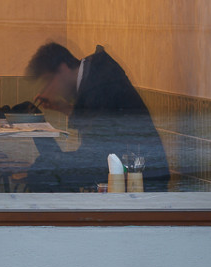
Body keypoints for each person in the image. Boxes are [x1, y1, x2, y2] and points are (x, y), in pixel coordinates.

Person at [22, 42, 169, 192]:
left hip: (140, 173)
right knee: (47, 167)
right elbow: (96, 122)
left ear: (63, 68)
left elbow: (97, 145)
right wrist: (63, 107)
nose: (48, 89)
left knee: (43, 171)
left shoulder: (99, 82)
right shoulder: (93, 73)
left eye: (48, 81)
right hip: (127, 163)